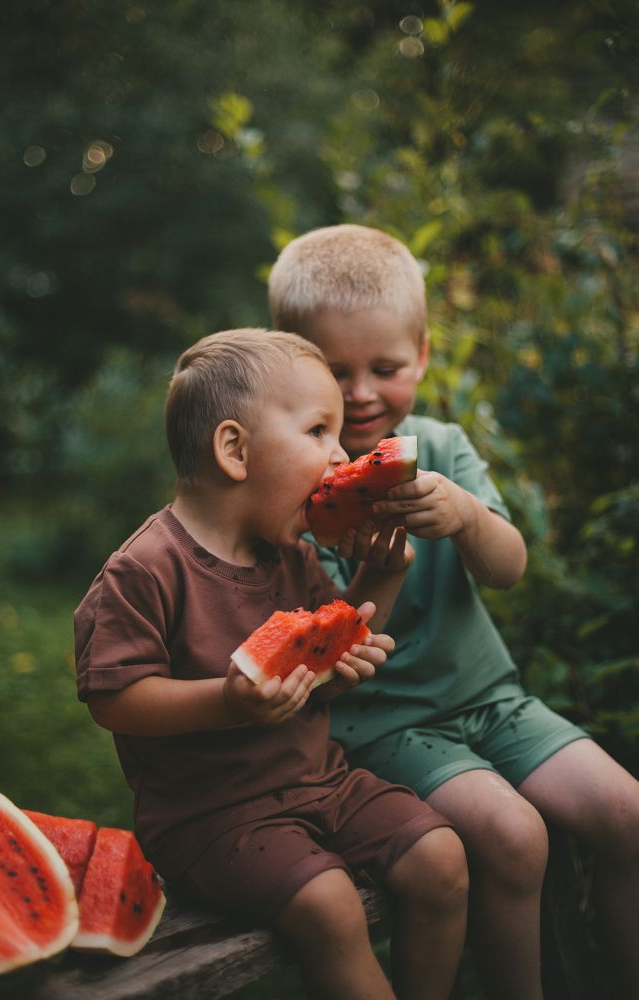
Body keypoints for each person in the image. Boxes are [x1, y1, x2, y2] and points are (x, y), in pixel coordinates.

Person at [268, 224, 639, 1000]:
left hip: (493, 702)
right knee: (514, 837)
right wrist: (380, 562)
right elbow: (322, 649)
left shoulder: (442, 445)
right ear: (292, 361)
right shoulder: (285, 486)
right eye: (337, 371)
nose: (364, 393)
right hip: (383, 724)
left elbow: (510, 569)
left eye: (387, 368)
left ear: (424, 357)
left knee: (628, 815)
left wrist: (467, 516)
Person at [74, 328, 469, 1000]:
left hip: (323, 782)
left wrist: (383, 567)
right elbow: (115, 699)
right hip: (212, 818)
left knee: (443, 860)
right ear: (235, 450)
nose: (341, 456)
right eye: (319, 431)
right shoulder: (143, 570)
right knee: (332, 907)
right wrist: (227, 702)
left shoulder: (291, 554)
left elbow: (334, 637)